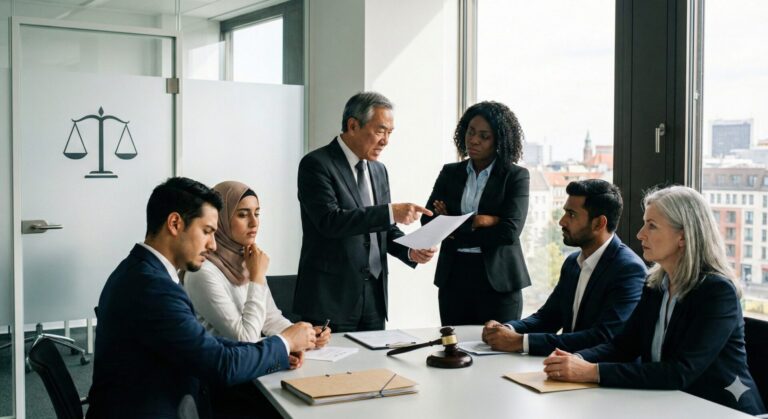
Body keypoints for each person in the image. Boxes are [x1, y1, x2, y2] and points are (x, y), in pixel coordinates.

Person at [87, 177, 317, 419]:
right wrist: (283, 344)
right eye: (207, 231)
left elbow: (208, 344)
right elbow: (221, 364)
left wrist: (278, 350)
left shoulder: (142, 271)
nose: (213, 245)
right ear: (175, 223)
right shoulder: (153, 288)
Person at [542, 186, 765, 415]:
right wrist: (574, 359)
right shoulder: (655, 285)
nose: (640, 234)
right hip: (671, 405)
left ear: (683, 236)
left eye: (652, 225)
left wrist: (590, 371)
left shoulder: (717, 293)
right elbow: (623, 347)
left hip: (723, 410)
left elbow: (679, 372)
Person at [295, 91, 436, 332]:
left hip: (374, 299)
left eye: (390, 133)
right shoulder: (316, 164)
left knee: (374, 369)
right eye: (380, 131)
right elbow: (330, 221)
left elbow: (384, 229)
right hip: (330, 298)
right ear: (352, 125)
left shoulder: (379, 170)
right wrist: (391, 212)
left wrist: (411, 251)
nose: (386, 141)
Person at [482, 179, 647, 355]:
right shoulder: (572, 262)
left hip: (599, 376)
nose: (562, 221)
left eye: (572, 214)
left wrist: (520, 342)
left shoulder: (629, 270)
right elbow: (547, 318)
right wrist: (505, 329)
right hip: (566, 369)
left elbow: (603, 337)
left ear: (599, 223)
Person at [183, 181, 331, 354]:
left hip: (250, 362)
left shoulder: (248, 259)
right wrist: (257, 276)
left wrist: (308, 335)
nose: (254, 223)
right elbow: (246, 339)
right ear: (220, 219)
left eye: (257, 213)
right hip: (225, 371)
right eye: (243, 215)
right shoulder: (203, 272)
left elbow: (269, 319)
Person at [421, 101, 530, 325]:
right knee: (454, 351)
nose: (473, 140)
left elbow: (509, 232)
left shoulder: (515, 176)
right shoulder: (450, 172)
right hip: (454, 277)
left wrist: (452, 225)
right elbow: (427, 219)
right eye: (470, 132)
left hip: (498, 281)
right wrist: (481, 221)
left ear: (499, 140)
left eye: (484, 136)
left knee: (498, 354)